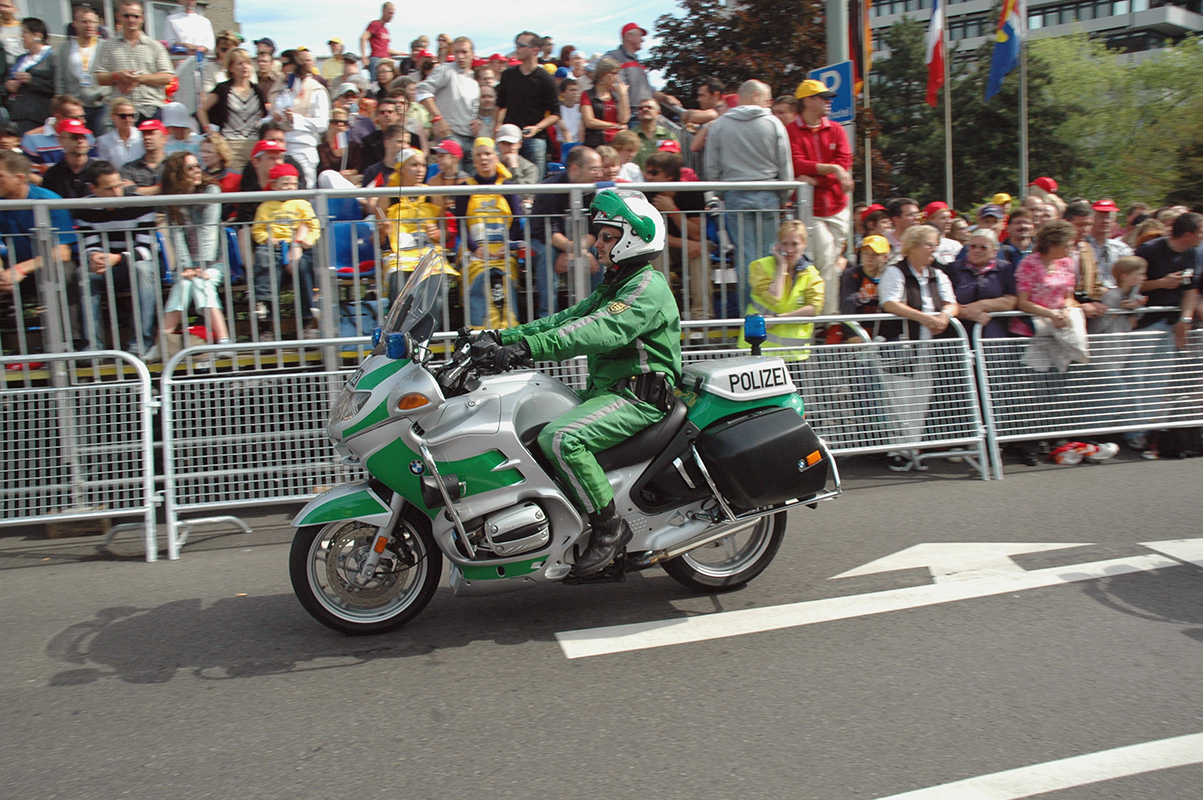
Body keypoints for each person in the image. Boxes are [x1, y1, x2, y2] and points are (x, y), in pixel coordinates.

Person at [486, 188, 679, 577]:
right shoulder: (617, 284)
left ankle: (610, 529)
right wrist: (500, 337)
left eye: (607, 237)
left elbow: (600, 330)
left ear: (634, 239)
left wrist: (527, 348)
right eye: (600, 236)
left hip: (638, 398)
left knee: (561, 439)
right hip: (609, 391)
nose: (597, 244)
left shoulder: (646, 287)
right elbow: (566, 320)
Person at [704, 79, 793, 313]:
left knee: (745, 259)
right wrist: (784, 198)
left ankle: (750, 314)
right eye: (767, 98)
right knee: (771, 256)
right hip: (769, 196)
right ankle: (770, 312)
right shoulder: (773, 123)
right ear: (755, 96)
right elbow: (785, 165)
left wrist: (721, 193)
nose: (769, 103)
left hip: (736, 196)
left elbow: (711, 168)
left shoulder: (720, 125)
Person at [878, 224, 959, 472]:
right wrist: (923, 317)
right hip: (901, 346)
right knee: (900, 398)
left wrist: (944, 316)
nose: (934, 250)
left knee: (920, 400)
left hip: (928, 348)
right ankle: (898, 451)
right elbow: (890, 302)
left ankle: (913, 448)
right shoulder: (895, 272)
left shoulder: (937, 274)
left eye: (936, 245)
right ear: (914, 246)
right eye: (929, 245)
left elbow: (952, 303)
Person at [72, 159, 160, 356]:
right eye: (109, 188)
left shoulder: (140, 203)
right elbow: (89, 245)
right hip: (109, 265)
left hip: (137, 262)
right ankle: (92, 347)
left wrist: (117, 258)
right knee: (84, 273)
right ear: (93, 189)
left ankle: (140, 344)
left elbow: (147, 250)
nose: (117, 192)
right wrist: (94, 256)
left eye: (119, 185)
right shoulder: (84, 208)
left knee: (142, 269)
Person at [151, 150, 231, 360]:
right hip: (188, 264)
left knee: (201, 283)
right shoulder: (172, 199)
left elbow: (209, 229)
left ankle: (224, 340)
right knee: (185, 285)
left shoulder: (210, 190)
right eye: (190, 167)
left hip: (213, 260)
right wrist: (187, 266)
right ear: (177, 173)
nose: (197, 170)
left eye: (197, 166)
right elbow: (176, 235)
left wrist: (200, 266)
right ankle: (162, 343)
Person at [788, 79, 852, 315]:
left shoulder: (836, 128)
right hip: (811, 208)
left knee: (833, 261)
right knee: (825, 259)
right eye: (823, 97)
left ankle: (824, 315)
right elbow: (796, 164)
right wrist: (834, 170)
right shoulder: (791, 131)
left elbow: (845, 161)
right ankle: (827, 317)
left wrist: (819, 177)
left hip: (838, 206)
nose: (829, 102)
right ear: (807, 101)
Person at [454, 138, 524, 329]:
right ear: (474, 160)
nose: (484, 158)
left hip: (503, 250)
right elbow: (461, 224)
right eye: (479, 155)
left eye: (488, 153)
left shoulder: (508, 187)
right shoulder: (465, 188)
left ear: (496, 157)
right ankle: (479, 329)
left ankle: (509, 328)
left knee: (504, 277)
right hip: (474, 250)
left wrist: (507, 246)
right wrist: (475, 249)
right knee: (479, 277)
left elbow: (517, 222)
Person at [528, 145, 604, 318]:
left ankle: (596, 312)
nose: (599, 174)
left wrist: (576, 250)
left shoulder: (597, 191)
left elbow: (595, 230)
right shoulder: (549, 188)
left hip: (579, 242)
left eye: (600, 168)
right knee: (547, 255)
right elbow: (547, 231)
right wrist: (576, 250)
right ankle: (548, 317)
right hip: (546, 241)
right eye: (594, 169)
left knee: (600, 251)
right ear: (575, 168)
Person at [252, 162, 320, 338]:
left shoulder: (302, 204)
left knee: (304, 266)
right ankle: (265, 314)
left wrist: (307, 241)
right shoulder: (265, 207)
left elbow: (313, 226)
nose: (290, 187)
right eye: (285, 184)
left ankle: (307, 320)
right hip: (275, 246)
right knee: (264, 259)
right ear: (274, 185)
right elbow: (258, 230)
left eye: (294, 184)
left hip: (299, 245)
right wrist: (267, 239)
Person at [0, 150, 77, 301]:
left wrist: (20, 269)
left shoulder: (49, 201)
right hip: (12, 267)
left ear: (20, 178)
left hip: (45, 266)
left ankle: (64, 318)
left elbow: (62, 253)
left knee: (61, 272)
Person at [642, 150, 710, 322]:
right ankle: (664, 313)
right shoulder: (644, 194)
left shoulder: (691, 192)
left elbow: (697, 234)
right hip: (663, 245)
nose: (648, 177)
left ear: (670, 176)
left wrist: (672, 210)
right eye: (646, 172)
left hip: (690, 246)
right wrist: (685, 244)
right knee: (655, 251)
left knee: (701, 252)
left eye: (654, 173)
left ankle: (702, 317)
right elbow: (649, 235)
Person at [740, 219, 823, 353]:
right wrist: (782, 266)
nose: (789, 250)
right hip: (758, 350)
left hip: (794, 354)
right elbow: (774, 297)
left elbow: (814, 309)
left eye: (795, 244)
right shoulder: (760, 267)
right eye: (784, 244)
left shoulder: (812, 274)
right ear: (777, 245)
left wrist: (779, 319)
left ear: (804, 244)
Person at [93, 1, 173, 123]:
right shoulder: (108, 46)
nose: (131, 20)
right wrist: (118, 76)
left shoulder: (155, 46)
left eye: (136, 16)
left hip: (150, 107)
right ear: (118, 17)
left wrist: (138, 79)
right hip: (120, 110)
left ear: (142, 18)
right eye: (126, 16)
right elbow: (99, 78)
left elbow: (167, 77)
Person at [495, 31, 559, 180]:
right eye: (516, 45)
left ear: (535, 50)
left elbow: (556, 114)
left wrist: (537, 128)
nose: (517, 48)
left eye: (521, 45)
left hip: (535, 139)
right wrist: (497, 126)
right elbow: (500, 105)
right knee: (504, 180)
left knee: (534, 184)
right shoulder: (508, 75)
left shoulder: (545, 79)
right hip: (509, 139)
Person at [941, 228, 1017, 340]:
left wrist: (981, 305)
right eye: (973, 246)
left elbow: (1011, 301)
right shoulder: (952, 269)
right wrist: (967, 313)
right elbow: (943, 300)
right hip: (959, 334)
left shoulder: (1005, 269)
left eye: (983, 247)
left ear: (994, 251)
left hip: (994, 335)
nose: (977, 250)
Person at [198, 48, 266, 172]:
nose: (245, 67)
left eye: (247, 63)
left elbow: (265, 112)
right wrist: (209, 131)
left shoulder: (257, 90)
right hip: (231, 143)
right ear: (231, 68)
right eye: (240, 63)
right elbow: (202, 110)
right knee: (234, 178)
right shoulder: (223, 89)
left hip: (253, 143)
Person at [268, 49, 329, 186]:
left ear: (295, 64)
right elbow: (270, 115)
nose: (282, 69)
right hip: (279, 146)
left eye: (285, 65)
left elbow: (322, 124)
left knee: (304, 187)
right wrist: (271, 118)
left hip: (302, 147)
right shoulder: (279, 89)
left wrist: (296, 119)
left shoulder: (316, 90)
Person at [417, 36, 479, 169]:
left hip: (471, 138)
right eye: (457, 52)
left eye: (464, 52)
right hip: (451, 136)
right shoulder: (445, 70)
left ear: (472, 54)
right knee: (453, 179)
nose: (460, 56)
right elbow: (422, 92)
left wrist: (478, 121)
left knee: (471, 180)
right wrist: (438, 119)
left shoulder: (475, 80)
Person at [602, 22, 680, 119]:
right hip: (630, 114)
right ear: (629, 36)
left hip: (645, 111)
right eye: (639, 36)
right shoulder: (613, 56)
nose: (642, 40)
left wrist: (665, 97)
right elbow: (591, 70)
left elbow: (649, 90)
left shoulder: (637, 62)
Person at [54, 5, 108, 134]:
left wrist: (109, 97)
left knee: (102, 138)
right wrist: (60, 101)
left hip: (101, 104)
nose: (89, 25)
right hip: (74, 105)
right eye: (84, 21)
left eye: (92, 22)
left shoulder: (106, 46)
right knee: (77, 138)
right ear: (75, 23)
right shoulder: (65, 48)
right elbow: (59, 77)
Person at [7, 18, 55, 135]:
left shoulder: (53, 59)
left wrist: (31, 80)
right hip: (16, 112)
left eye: (24, 32)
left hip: (37, 115)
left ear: (37, 35)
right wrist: (8, 84)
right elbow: (9, 78)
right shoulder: (20, 59)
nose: (22, 36)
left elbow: (57, 85)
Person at [840, 234, 890, 340]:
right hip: (858, 332)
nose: (869, 259)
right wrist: (852, 334)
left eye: (875, 254)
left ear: (885, 257)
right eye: (866, 253)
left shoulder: (891, 275)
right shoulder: (852, 275)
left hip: (885, 334)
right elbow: (847, 305)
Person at [1089, 255, 1147, 335]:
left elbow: (1133, 323)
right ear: (1124, 276)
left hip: (1124, 337)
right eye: (1140, 274)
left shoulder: (1135, 295)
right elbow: (1098, 325)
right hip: (1109, 338)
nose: (1144, 278)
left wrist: (1136, 309)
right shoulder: (1112, 295)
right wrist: (1119, 308)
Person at [580, 57, 628, 149]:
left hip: (615, 142)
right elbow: (589, 122)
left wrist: (623, 95)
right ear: (602, 74)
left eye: (617, 74)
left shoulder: (615, 96)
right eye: (613, 73)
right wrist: (614, 125)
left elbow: (623, 120)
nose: (616, 77)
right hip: (595, 142)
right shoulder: (587, 95)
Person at [41, 117, 94, 199]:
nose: (80, 141)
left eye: (83, 137)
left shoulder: (100, 171)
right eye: (74, 137)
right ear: (61, 140)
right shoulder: (53, 175)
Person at [120, 118, 166, 191]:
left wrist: (137, 189)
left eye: (151, 133)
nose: (146, 137)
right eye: (144, 134)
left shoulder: (173, 165)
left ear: (164, 139)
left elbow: (178, 187)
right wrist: (162, 188)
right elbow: (126, 190)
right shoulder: (129, 168)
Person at [360, 2, 403, 77]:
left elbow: (386, 49)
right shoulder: (375, 24)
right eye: (389, 13)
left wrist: (401, 53)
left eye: (393, 14)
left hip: (386, 60)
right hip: (376, 59)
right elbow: (363, 38)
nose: (391, 16)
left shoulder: (385, 30)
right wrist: (364, 56)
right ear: (383, 11)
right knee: (376, 81)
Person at [96, 95, 141, 167]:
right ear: (113, 117)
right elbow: (104, 167)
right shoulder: (103, 141)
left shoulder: (142, 137)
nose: (128, 119)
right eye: (123, 116)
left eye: (131, 116)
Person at [631, 98, 675, 168]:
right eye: (640, 108)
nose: (645, 109)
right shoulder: (630, 136)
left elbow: (675, 159)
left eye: (649, 107)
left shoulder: (668, 135)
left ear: (658, 113)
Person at [556, 76, 582, 149]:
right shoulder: (558, 109)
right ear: (562, 93)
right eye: (571, 90)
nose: (575, 93)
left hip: (578, 142)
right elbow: (564, 130)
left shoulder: (581, 108)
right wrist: (570, 146)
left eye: (576, 90)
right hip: (562, 143)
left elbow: (581, 129)